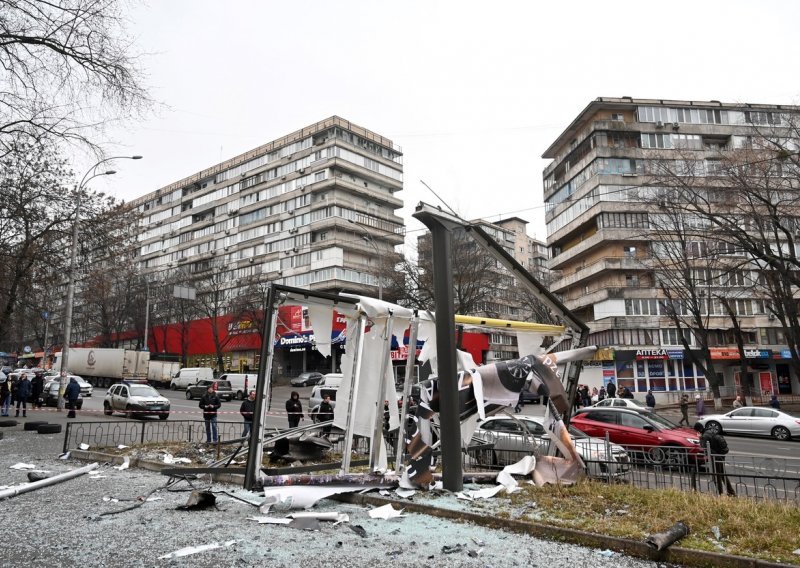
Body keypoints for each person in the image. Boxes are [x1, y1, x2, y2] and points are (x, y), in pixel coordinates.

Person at [695, 422, 735, 497]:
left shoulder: (705, 436)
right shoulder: (710, 431)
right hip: (721, 456)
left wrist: (700, 438)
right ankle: (731, 492)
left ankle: (720, 494)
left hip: (714, 457)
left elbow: (704, 448)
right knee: (723, 475)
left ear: (698, 430)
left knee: (717, 476)